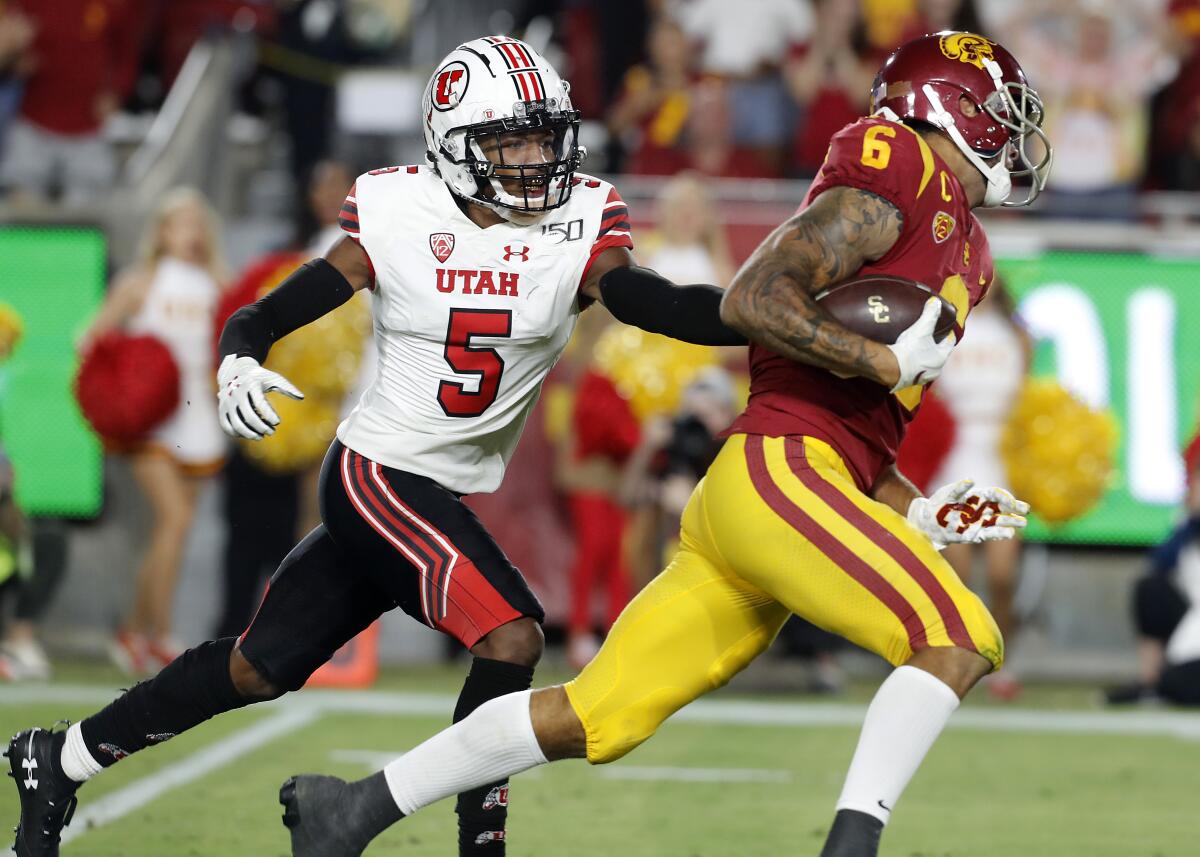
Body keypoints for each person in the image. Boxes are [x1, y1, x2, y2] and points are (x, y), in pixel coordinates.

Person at [259, 32, 1053, 857]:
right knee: (957, 633)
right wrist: (884, 357)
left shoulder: (966, 245)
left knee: (595, 714)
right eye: (999, 114)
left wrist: (922, 510)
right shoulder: (899, 167)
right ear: (951, 113)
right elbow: (755, 296)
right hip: (780, 471)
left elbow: (847, 420)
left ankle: (352, 809)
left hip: (774, 486)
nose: (1010, 135)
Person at [6, 35, 746, 857]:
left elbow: (650, 300)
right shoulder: (398, 210)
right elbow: (279, 306)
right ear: (454, 147)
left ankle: (57, 756)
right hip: (378, 474)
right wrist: (240, 351)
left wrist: (751, 312)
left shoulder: (579, 219)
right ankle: (481, 846)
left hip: (434, 488)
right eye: (512, 140)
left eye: (546, 136)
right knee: (512, 636)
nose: (538, 158)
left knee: (260, 666)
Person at [79, 188, 228, 676]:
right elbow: (91, 338)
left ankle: (133, 630)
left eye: (198, 223)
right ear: (162, 231)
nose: (192, 233)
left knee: (175, 533)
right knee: (173, 522)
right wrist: (130, 380)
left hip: (199, 416)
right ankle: (161, 633)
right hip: (153, 419)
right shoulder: (140, 283)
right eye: (181, 223)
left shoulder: (217, 284)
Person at [927, 280, 1030, 699]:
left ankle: (1003, 660)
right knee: (959, 572)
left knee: (1004, 576)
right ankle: (955, 657)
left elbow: (1027, 398)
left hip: (999, 455)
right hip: (955, 455)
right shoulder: (942, 330)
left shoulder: (1019, 336)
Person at [1105, 433, 1200, 707]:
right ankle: (1150, 680)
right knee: (1151, 587)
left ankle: (1161, 686)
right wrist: (1192, 520)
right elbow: (1161, 561)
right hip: (1191, 619)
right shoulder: (1187, 523)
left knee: (1182, 685)